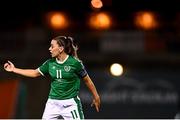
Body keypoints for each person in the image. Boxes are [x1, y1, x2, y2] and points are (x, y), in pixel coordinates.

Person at [4, 36, 101, 120]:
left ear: (61, 49)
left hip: (70, 104)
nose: (49, 49)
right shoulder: (50, 63)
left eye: (52, 46)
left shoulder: (75, 63)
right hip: (53, 103)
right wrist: (14, 69)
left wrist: (96, 96)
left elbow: (87, 80)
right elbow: (34, 73)